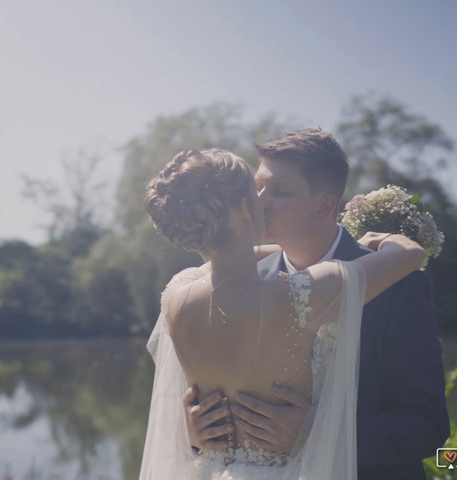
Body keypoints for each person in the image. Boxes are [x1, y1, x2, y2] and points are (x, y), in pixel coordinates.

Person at [182, 130, 450, 479]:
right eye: (258, 186)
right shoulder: (239, 283)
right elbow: (212, 408)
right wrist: (195, 433)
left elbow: (427, 426)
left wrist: (318, 433)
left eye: (279, 192)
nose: (259, 202)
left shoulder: (397, 284)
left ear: (324, 205)